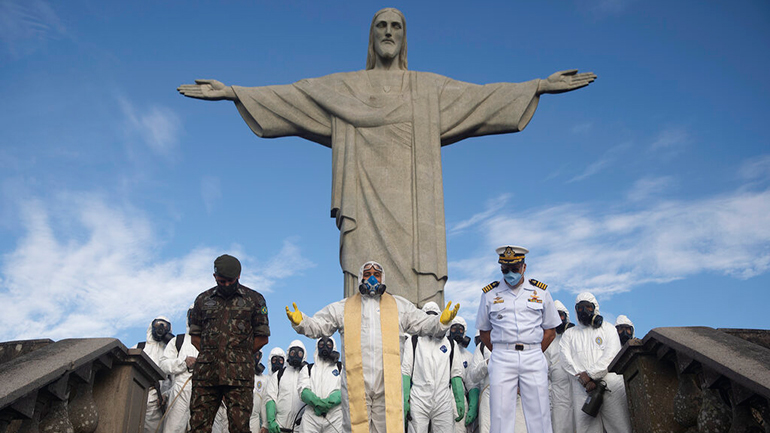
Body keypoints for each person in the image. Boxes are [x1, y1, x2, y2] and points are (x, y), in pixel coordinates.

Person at [178, 8, 597, 307]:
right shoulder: (345, 88)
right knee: (366, 291)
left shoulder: (426, 89)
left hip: (415, 211)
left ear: (404, 37)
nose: (389, 32)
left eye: (396, 26)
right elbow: (295, 96)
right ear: (371, 36)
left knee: (419, 297)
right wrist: (234, 92)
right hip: (364, 203)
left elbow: (481, 97)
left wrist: (537, 86)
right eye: (381, 25)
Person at [285, 260, 460, 433]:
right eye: (368, 274)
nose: (372, 278)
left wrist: (441, 321)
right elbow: (320, 325)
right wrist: (302, 322)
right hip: (356, 381)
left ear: (383, 278)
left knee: (389, 428)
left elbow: (423, 323)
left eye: (377, 274)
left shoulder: (399, 306)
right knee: (355, 428)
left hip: (388, 382)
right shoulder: (344, 307)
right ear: (361, 277)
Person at [476, 245, 561, 433]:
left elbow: (550, 331)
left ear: (524, 267)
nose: (510, 274)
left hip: (533, 355)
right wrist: (501, 351)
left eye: (514, 269)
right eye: (505, 270)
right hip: (502, 357)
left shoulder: (540, 292)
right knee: (500, 415)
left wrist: (535, 352)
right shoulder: (490, 294)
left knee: (540, 414)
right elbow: (484, 332)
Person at [188, 254, 270, 433]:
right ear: (215, 277)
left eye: (230, 281)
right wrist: (213, 356)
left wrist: (238, 356)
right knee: (198, 427)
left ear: (239, 276)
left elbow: (262, 337)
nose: (226, 285)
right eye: (222, 281)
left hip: (239, 376)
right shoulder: (202, 300)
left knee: (240, 428)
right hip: (206, 375)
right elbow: (195, 336)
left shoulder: (255, 300)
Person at [559, 292, 632, 433]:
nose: (584, 311)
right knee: (586, 429)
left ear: (595, 308)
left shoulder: (608, 329)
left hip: (609, 385)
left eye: (588, 307)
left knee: (620, 426)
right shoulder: (570, 334)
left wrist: (591, 375)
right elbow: (565, 358)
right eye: (580, 308)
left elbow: (611, 354)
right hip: (582, 388)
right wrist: (583, 378)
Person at [160, 307, 228, 433]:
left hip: (207, 392)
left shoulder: (215, 342)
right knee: (173, 429)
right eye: (193, 315)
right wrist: (183, 362)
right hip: (181, 390)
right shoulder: (178, 341)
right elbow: (163, 365)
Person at [402, 302, 465, 433]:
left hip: (443, 400)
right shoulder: (413, 341)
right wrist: (404, 399)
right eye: (427, 316)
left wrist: (459, 400)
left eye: (434, 316)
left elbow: (456, 374)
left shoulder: (450, 344)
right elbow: (406, 372)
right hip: (418, 399)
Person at [297, 336, 344, 433]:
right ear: (317, 347)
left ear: (333, 347)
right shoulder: (308, 369)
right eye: (321, 344)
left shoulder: (340, 368)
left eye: (329, 344)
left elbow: (346, 387)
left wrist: (330, 402)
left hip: (335, 416)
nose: (325, 347)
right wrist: (317, 402)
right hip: (311, 416)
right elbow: (303, 390)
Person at [135, 316, 173, 433]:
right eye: (157, 324)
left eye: (164, 326)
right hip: (137, 395)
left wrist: (166, 395)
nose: (160, 328)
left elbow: (174, 379)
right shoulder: (139, 347)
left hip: (157, 402)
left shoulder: (170, 352)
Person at [544, 300, 575, 433]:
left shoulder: (574, 336)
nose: (558, 319)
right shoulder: (547, 342)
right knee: (560, 426)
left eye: (560, 315)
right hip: (558, 393)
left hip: (577, 387)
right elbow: (544, 372)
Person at [264, 340, 307, 433]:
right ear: (288, 354)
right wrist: (271, 421)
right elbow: (270, 398)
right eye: (293, 353)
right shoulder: (279, 375)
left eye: (299, 353)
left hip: (300, 428)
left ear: (304, 356)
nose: (296, 355)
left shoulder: (306, 375)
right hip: (279, 427)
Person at [448, 316, 475, 433]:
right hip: (442, 395)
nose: (457, 332)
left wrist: (473, 405)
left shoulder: (468, 356)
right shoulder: (442, 351)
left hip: (461, 400)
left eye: (460, 329)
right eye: (454, 329)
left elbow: (472, 383)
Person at [249, 350, 268, 433]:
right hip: (237, 415)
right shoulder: (237, 373)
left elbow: (264, 403)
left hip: (254, 419)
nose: (255, 357)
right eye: (254, 354)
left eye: (257, 355)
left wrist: (265, 424)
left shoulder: (263, 379)